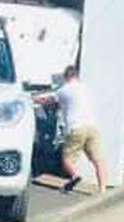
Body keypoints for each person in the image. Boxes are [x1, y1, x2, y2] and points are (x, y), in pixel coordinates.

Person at [34, 66, 107, 194]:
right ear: (77, 76)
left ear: (66, 77)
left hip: (76, 127)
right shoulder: (86, 89)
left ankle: (75, 176)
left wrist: (31, 99)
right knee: (98, 159)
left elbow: (47, 100)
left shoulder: (64, 90)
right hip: (92, 126)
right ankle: (103, 189)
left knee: (67, 159)